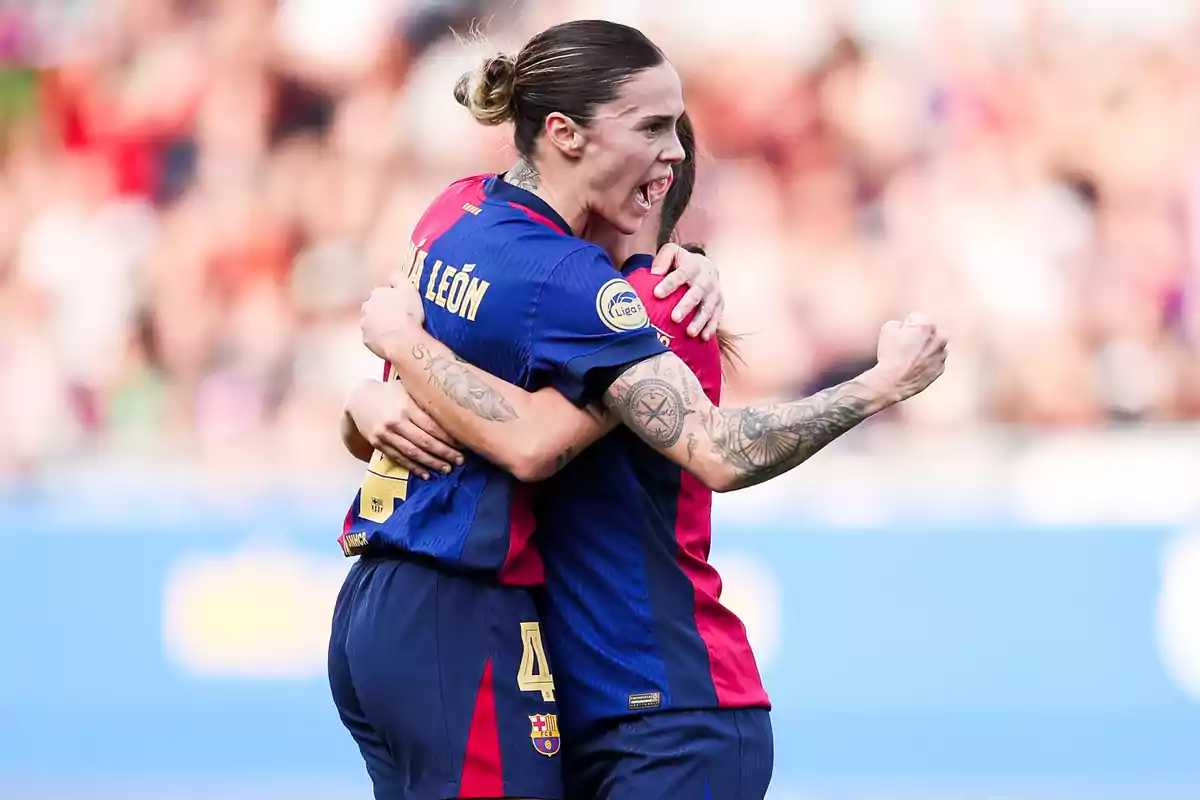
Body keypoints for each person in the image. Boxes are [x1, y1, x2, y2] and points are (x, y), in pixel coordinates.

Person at [358, 50, 948, 800]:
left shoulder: (653, 303)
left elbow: (542, 440)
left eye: (664, 146)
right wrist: (367, 403)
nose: (656, 157)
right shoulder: (556, 290)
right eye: (648, 134)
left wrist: (877, 386)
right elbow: (469, 403)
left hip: (666, 704)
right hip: (589, 700)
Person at [328, 19, 726, 800]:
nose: (669, 155)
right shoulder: (570, 279)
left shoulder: (455, 208)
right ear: (566, 133)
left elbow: (420, 390)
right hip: (460, 601)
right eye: (651, 130)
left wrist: (373, 386)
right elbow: (534, 444)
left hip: (377, 597)